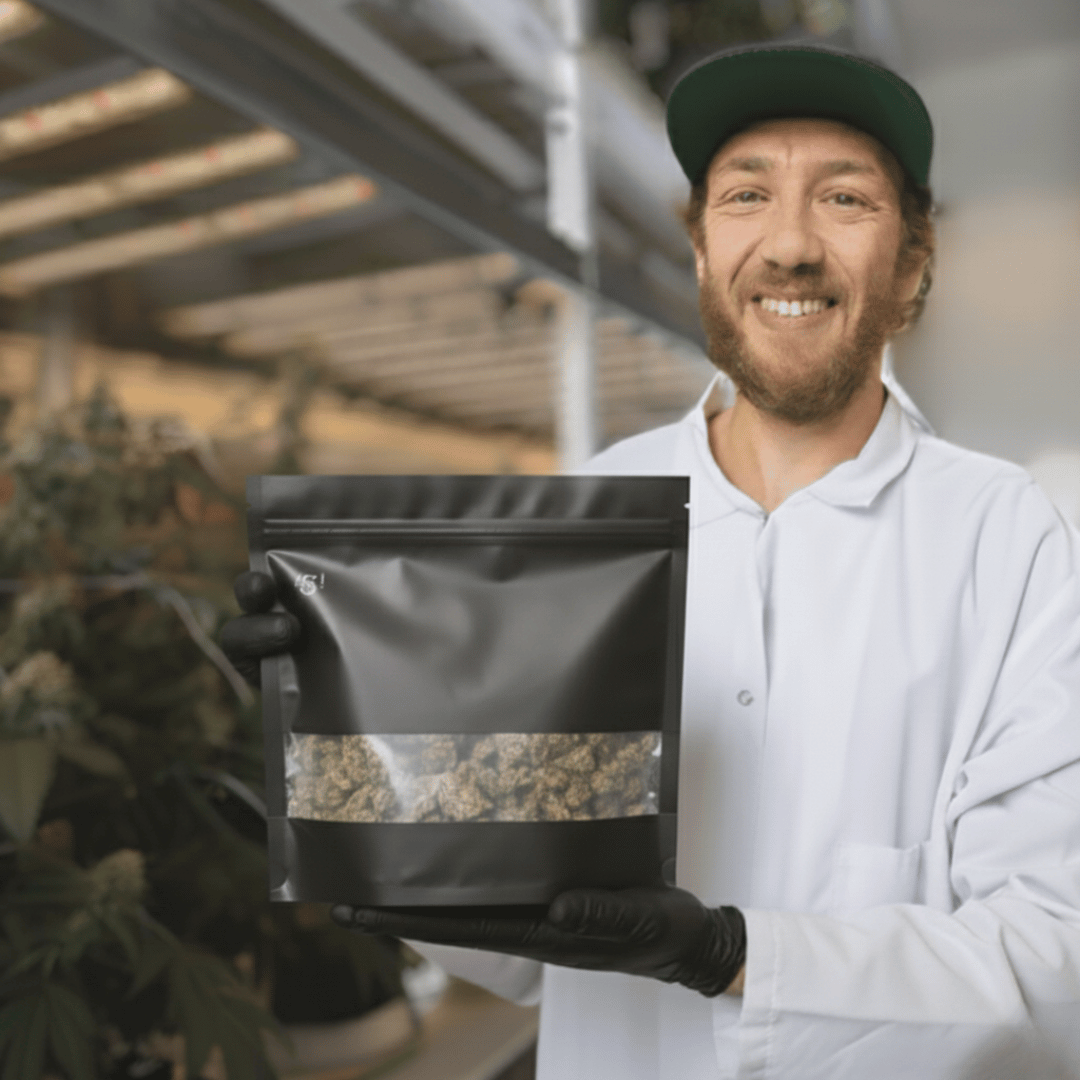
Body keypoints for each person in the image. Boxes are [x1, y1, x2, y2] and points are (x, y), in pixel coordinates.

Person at [222, 44, 1080, 1080]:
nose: (791, 244)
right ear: (704, 250)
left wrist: (730, 953)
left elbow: (1049, 954)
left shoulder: (1005, 536)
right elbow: (524, 943)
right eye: (746, 195)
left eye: (845, 199)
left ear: (910, 261)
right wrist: (341, 740)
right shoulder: (584, 517)